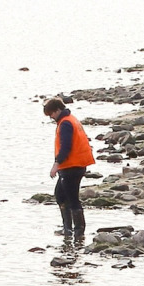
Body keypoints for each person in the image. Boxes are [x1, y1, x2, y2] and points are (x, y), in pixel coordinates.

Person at [43, 97, 95, 238]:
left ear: (57, 110)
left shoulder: (65, 123)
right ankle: (68, 229)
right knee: (60, 195)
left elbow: (66, 147)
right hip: (76, 164)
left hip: (72, 166)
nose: (51, 117)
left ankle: (78, 231)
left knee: (72, 199)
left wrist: (56, 164)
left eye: (51, 114)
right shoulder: (71, 119)